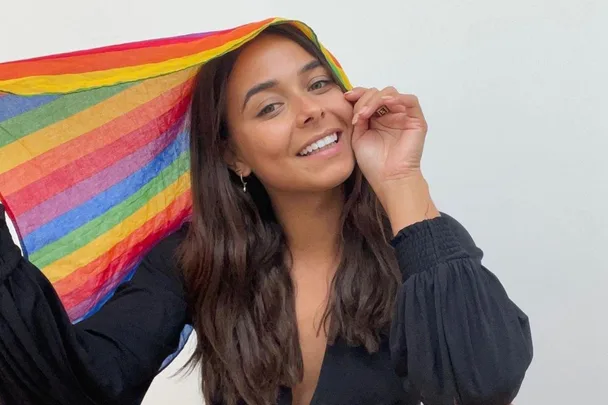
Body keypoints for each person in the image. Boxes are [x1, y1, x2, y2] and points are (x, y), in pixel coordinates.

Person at [0, 23, 533, 405]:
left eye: (318, 84)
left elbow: (479, 386)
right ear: (233, 155)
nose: (310, 111)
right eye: (269, 107)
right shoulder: (195, 259)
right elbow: (80, 383)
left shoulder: (418, 244)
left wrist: (400, 181)